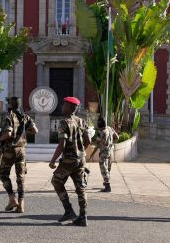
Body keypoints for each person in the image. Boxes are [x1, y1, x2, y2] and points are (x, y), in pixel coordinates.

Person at [49, 96, 91, 227]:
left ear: (70, 108)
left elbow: (62, 144)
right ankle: (83, 217)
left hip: (68, 160)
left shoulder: (64, 122)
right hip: (80, 160)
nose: (62, 107)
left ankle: (68, 210)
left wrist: (52, 160)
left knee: (56, 181)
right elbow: (88, 140)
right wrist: (81, 151)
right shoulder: (82, 122)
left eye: (64, 105)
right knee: (81, 188)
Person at [0, 96, 38, 213]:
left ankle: (12, 199)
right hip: (22, 150)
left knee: (3, 174)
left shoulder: (9, 116)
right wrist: (23, 132)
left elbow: (8, 134)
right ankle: (21, 203)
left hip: (10, 150)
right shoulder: (25, 117)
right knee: (21, 177)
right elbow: (35, 130)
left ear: (10, 105)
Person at [94, 117, 118, 193]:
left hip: (104, 152)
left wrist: (93, 153)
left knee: (103, 167)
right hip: (110, 151)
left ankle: (107, 186)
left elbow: (97, 144)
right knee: (108, 167)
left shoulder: (101, 132)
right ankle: (106, 182)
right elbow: (117, 137)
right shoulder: (110, 128)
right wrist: (111, 144)